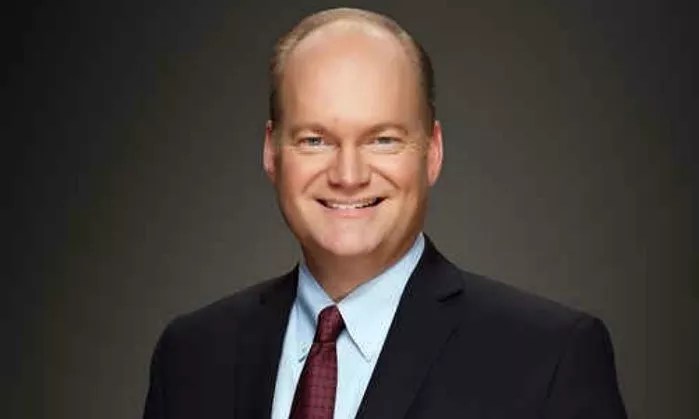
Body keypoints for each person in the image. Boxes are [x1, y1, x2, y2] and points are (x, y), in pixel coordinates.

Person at [143, 7, 627, 419]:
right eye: (315, 140)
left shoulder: (548, 359)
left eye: (383, 139)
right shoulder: (191, 356)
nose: (348, 174)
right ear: (272, 152)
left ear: (432, 152)